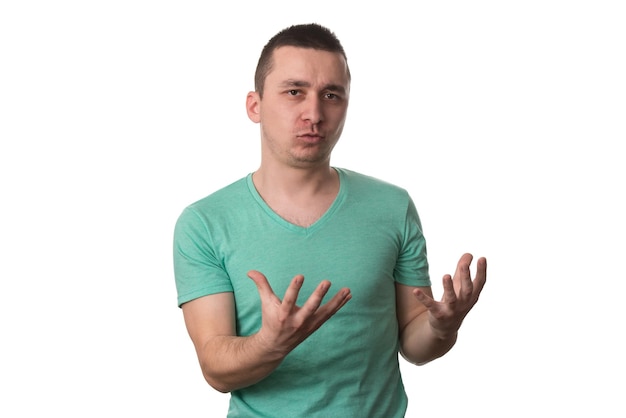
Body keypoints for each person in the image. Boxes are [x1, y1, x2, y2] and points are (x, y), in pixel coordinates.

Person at [173, 23, 487, 417]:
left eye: (331, 95)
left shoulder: (393, 206)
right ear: (254, 105)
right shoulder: (204, 222)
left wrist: (442, 328)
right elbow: (216, 369)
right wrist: (270, 342)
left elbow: (414, 342)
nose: (315, 113)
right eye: (294, 92)